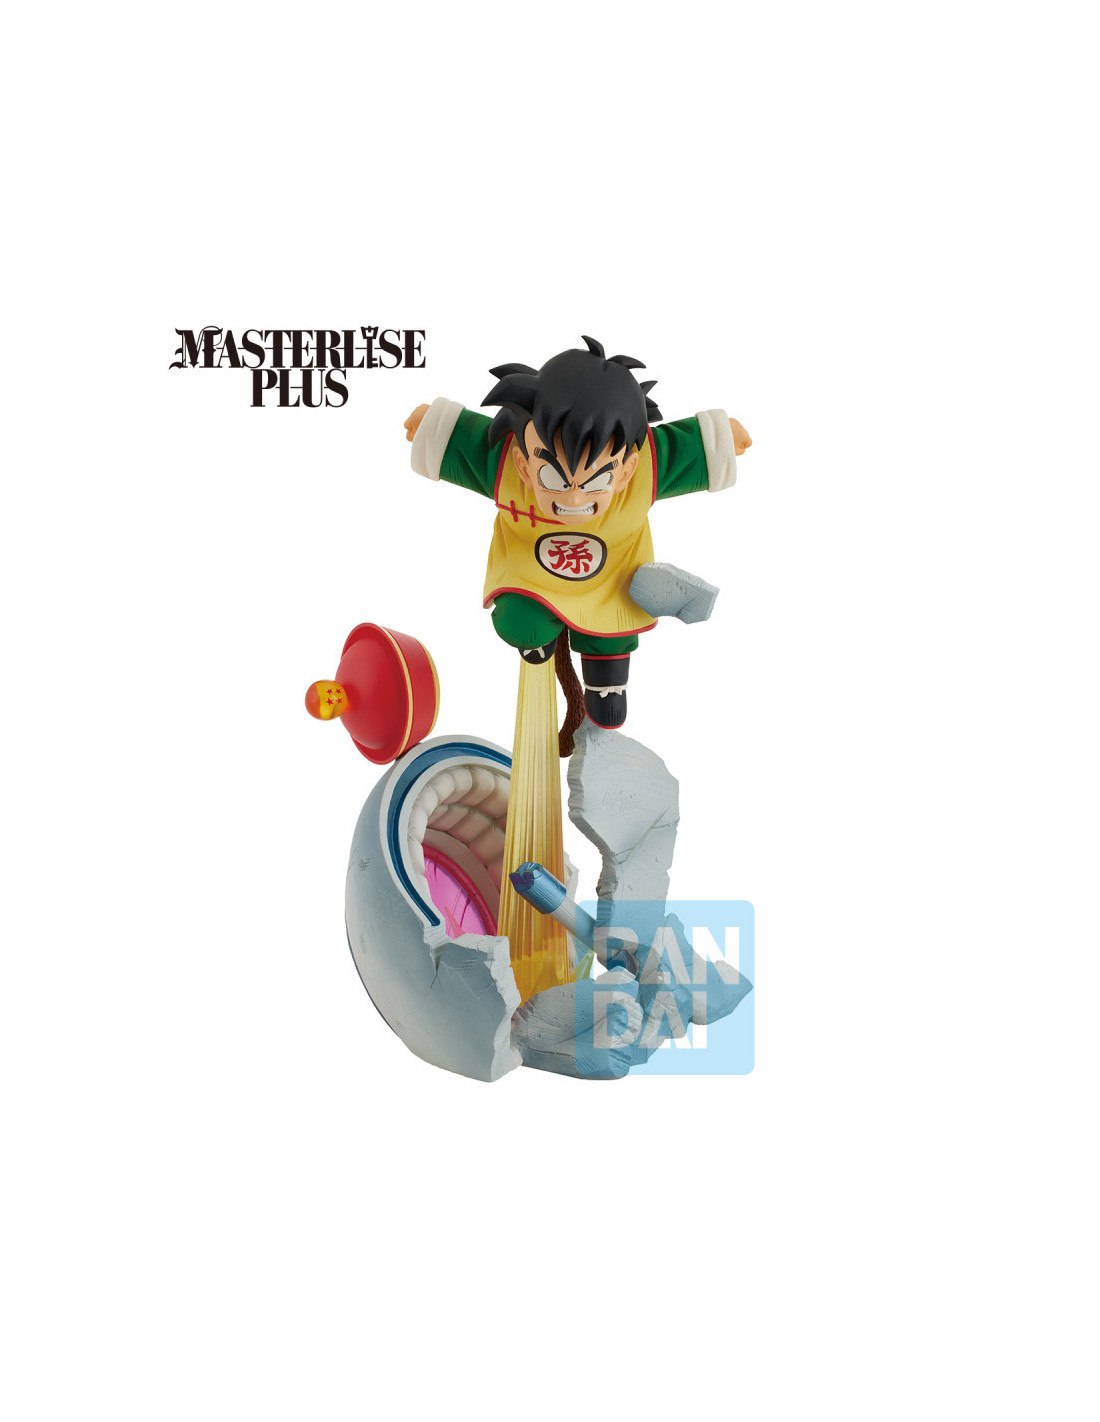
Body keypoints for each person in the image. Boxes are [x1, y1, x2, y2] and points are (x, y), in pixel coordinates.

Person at [405, 335, 751, 728]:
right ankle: (537, 637)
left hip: (611, 579)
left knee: (612, 632)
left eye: (594, 481)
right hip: (532, 576)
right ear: (523, 464)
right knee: (522, 621)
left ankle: (606, 683)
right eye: (553, 477)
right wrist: (432, 428)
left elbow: (682, 449)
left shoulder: (645, 467)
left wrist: (719, 441)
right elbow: (466, 442)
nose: (572, 498)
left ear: (625, 472)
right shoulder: (504, 465)